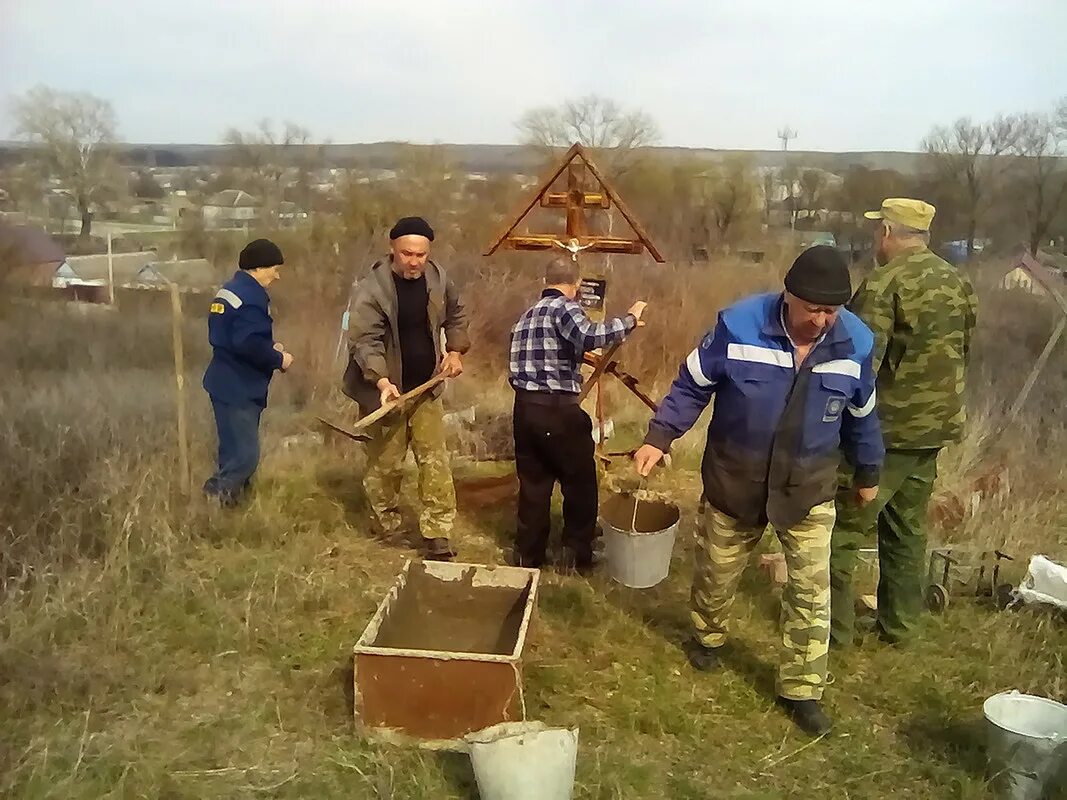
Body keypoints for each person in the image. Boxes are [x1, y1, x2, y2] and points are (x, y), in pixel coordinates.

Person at [634, 246, 883, 736]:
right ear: (788, 295)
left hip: (808, 484)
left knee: (812, 592)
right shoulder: (738, 324)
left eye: (832, 311)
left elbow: (862, 412)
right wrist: (659, 437)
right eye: (813, 309)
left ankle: (803, 689)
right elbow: (692, 385)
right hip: (736, 476)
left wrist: (869, 471)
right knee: (717, 572)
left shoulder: (856, 342)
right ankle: (707, 638)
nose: (822, 320)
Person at [830, 199, 978, 647]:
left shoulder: (883, 283)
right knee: (906, 528)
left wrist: (836, 426)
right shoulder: (958, 282)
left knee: (842, 530)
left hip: (887, 432)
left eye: (880, 230)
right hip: (935, 429)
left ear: (889, 233)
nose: (878, 238)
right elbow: (963, 351)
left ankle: (831, 632)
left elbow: (857, 365)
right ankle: (900, 627)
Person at [508, 256, 647, 572]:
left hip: (525, 409)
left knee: (534, 485)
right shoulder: (565, 309)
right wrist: (629, 319)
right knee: (580, 481)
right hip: (557, 410)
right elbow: (590, 336)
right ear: (575, 285)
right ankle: (577, 554)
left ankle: (528, 556)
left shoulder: (524, 318)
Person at [343, 216, 470, 560]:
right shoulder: (372, 290)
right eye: (407, 254)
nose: (414, 262)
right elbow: (364, 342)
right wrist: (382, 381)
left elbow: (456, 315)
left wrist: (455, 350)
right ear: (392, 250)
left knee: (435, 463)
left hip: (427, 387)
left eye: (420, 255)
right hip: (385, 392)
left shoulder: (439, 279)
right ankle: (388, 527)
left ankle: (438, 534)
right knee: (386, 465)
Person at [202, 238, 293, 506]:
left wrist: (267, 346)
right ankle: (213, 501)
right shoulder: (252, 297)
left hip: (223, 381)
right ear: (258, 268)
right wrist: (279, 358)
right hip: (239, 386)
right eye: (274, 268)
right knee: (245, 457)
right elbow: (248, 343)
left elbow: (230, 337)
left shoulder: (229, 291)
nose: (276, 275)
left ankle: (234, 508)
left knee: (231, 454)